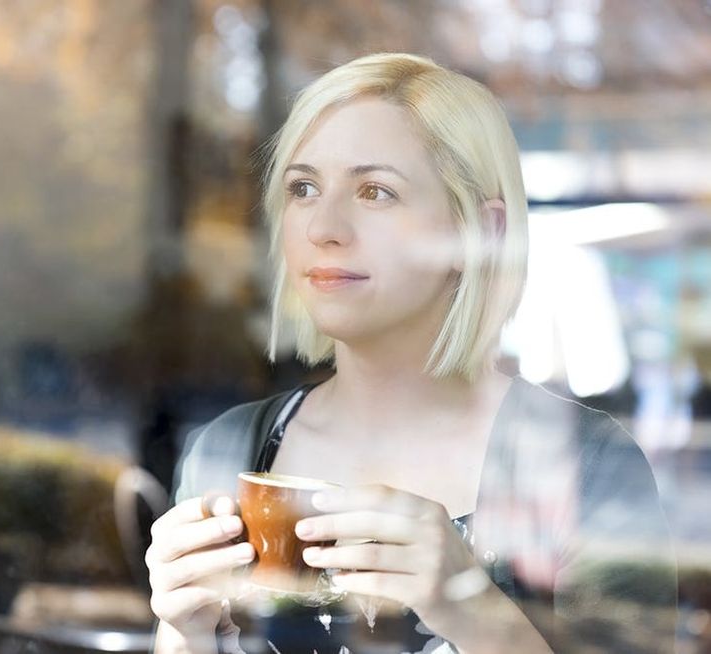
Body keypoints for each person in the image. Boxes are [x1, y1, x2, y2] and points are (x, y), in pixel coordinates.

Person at [145, 53, 677, 653]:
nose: (324, 226)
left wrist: (469, 608)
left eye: (375, 191)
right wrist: (181, 633)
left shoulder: (591, 468)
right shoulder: (224, 450)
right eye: (303, 188)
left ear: (481, 233)